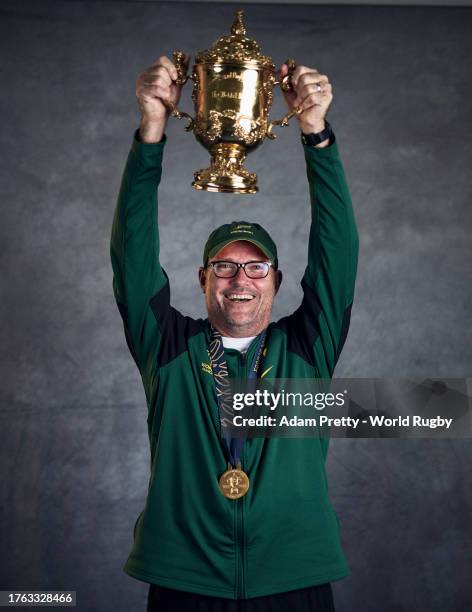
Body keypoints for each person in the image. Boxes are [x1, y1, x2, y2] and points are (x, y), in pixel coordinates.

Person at [110, 52, 359, 612]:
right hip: (185, 583)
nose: (239, 280)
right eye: (224, 266)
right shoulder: (167, 347)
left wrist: (315, 134)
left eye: (255, 267)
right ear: (202, 280)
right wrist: (152, 131)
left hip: (294, 580)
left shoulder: (306, 347)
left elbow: (338, 251)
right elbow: (132, 254)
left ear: (275, 281)